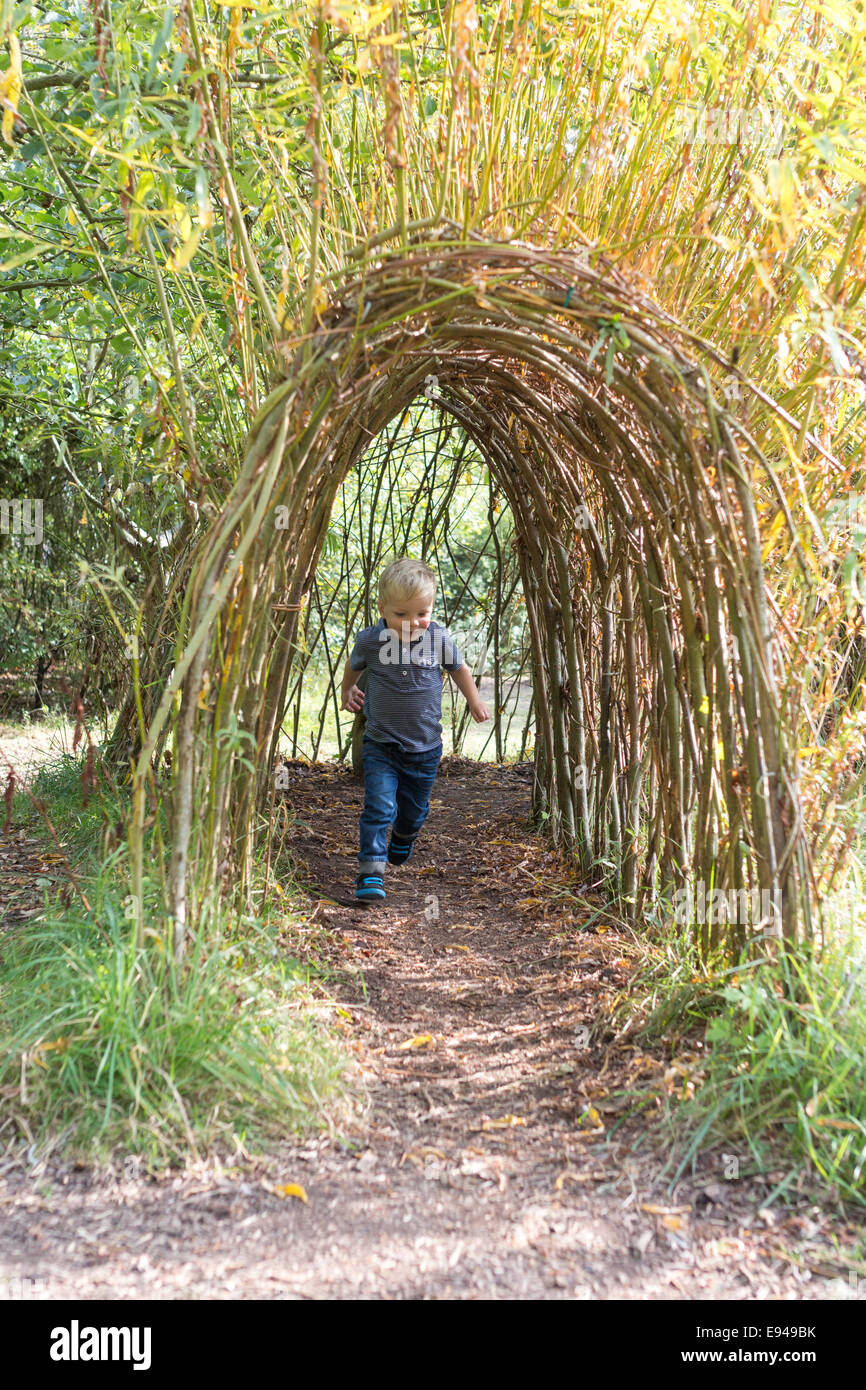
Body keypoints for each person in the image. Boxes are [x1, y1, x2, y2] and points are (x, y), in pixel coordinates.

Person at [340, 557, 491, 902]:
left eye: (422, 613)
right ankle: (371, 872)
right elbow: (354, 665)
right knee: (379, 806)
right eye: (401, 615)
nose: (413, 623)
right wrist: (348, 689)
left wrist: (473, 700)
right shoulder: (371, 640)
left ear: (432, 608)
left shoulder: (437, 637)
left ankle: (404, 837)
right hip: (381, 744)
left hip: (425, 749)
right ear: (382, 609)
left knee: (413, 813)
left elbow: (459, 669)